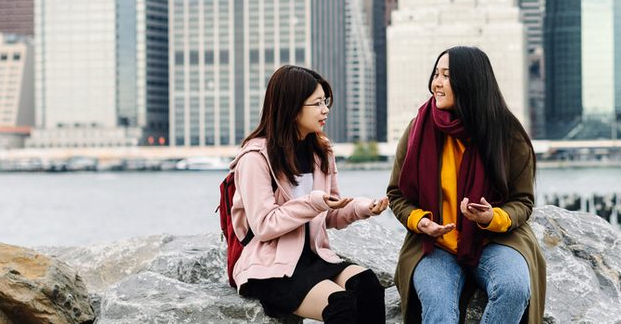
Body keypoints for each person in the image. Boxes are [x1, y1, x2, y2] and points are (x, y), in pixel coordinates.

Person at [386, 46, 547, 324]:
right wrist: (421, 222)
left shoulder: (507, 134)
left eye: (446, 76)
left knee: (514, 289)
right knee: (439, 307)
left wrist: (491, 217)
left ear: (470, 83)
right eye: (436, 74)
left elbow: (522, 201)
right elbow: (397, 195)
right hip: (435, 244)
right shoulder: (418, 129)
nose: (436, 83)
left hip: (494, 240)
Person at [229, 65, 389, 324]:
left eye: (325, 102)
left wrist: (363, 207)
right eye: (316, 103)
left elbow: (330, 214)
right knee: (341, 305)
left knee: (368, 286)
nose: (325, 109)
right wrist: (313, 203)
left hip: (314, 257)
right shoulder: (255, 158)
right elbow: (264, 225)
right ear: (292, 108)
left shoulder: (321, 151)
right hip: (270, 267)